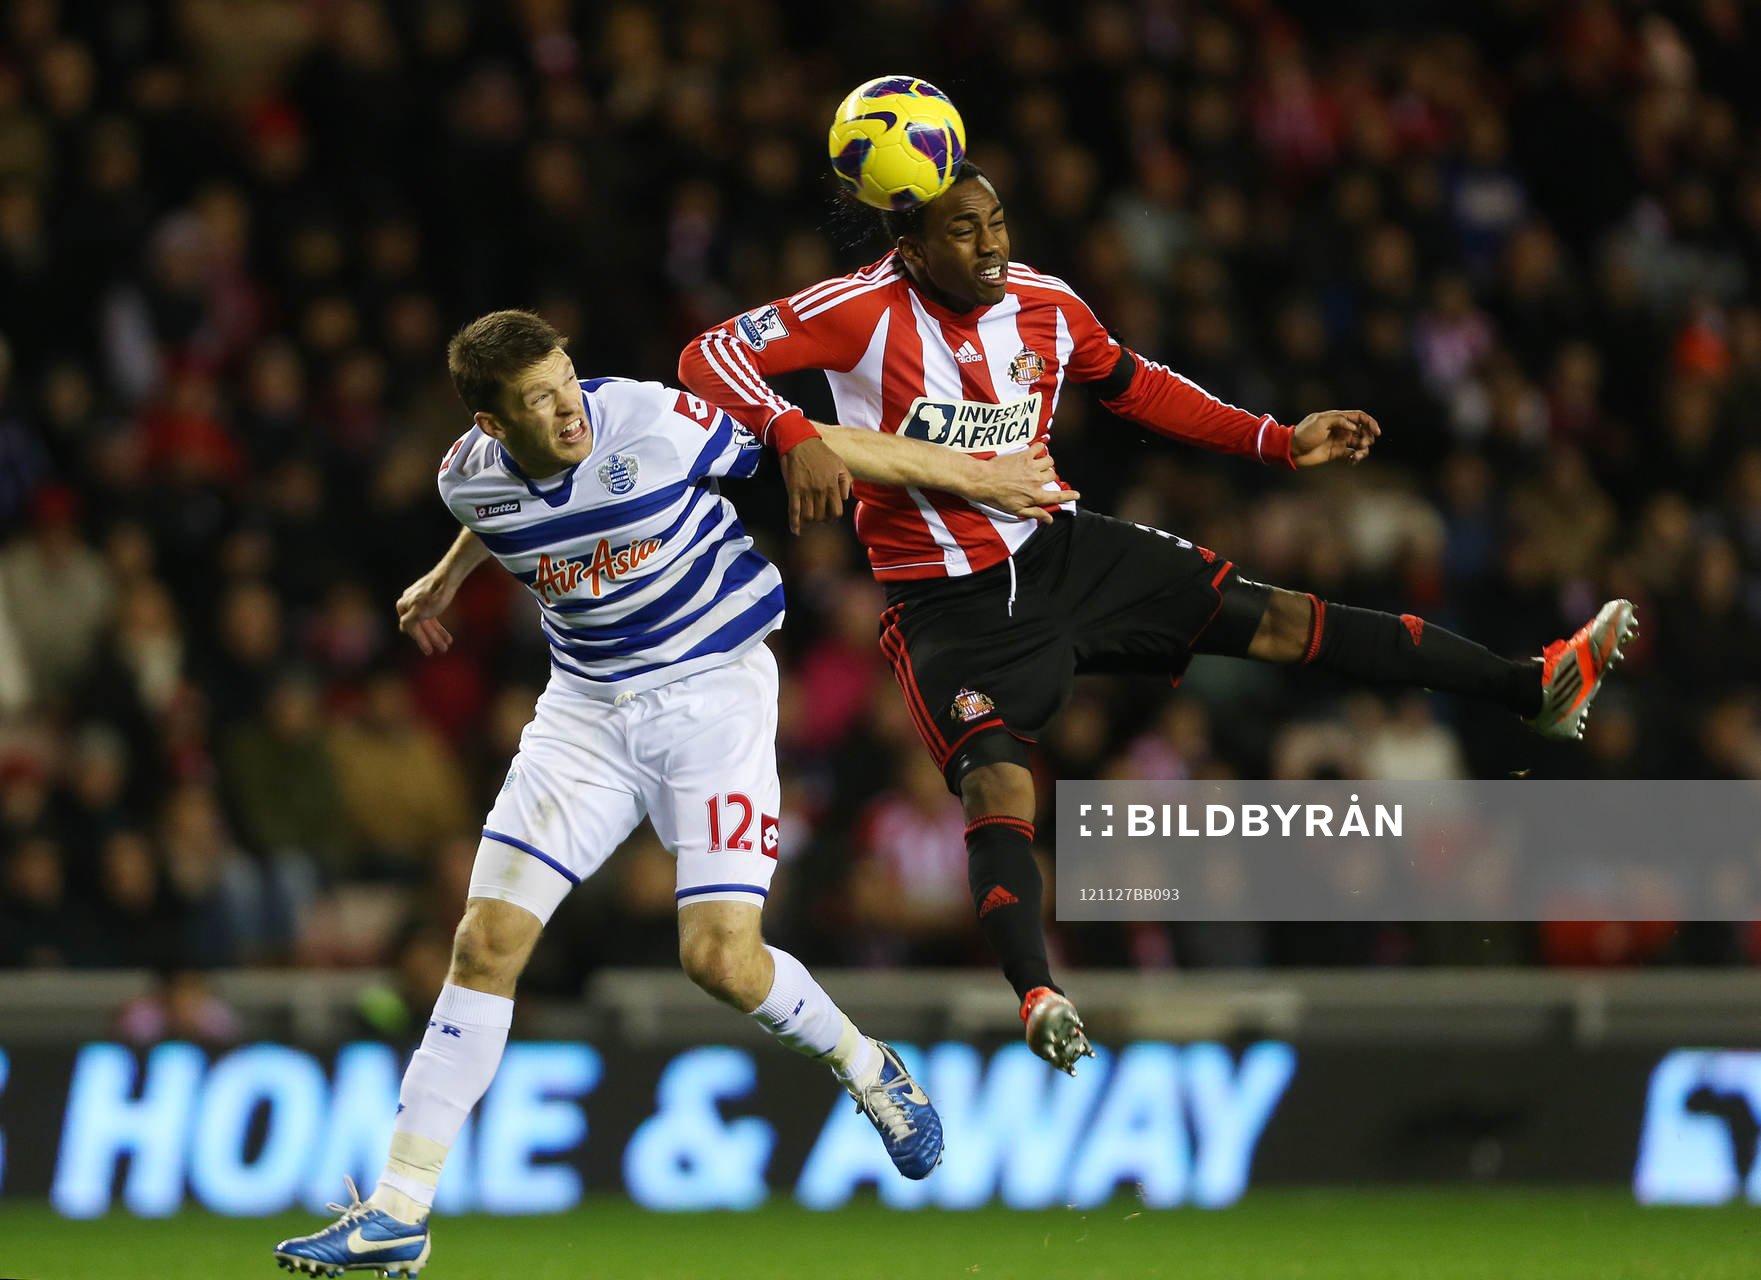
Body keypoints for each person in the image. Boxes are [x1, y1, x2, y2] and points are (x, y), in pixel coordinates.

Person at [679, 161, 1637, 1075]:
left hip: (1064, 551)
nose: (989, 244)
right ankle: (1038, 993)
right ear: (913, 246)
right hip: (949, 604)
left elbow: (1135, 385)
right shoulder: (858, 309)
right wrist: (791, 430)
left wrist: (1276, 440)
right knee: (996, 786)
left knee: (1279, 618)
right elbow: (705, 356)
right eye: (962, 230)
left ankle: (1530, 689)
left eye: (996, 222)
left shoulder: (1046, 304)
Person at [275, 309, 1073, 1276]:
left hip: (711, 694)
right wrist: (448, 575)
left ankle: (869, 1067)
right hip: (584, 713)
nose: (567, 409)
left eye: (566, 381)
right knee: (482, 943)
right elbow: (495, 511)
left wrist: (982, 476)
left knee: (719, 960)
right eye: (537, 401)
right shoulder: (464, 475)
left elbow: (816, 445)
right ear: (491, 423)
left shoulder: (652, 422)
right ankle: (399, 1212)